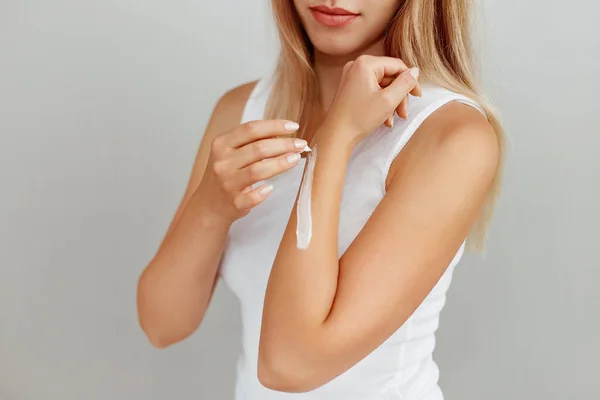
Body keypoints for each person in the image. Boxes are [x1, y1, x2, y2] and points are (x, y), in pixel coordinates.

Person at [136, 1, 503, 399]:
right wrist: (210, 206)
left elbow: (290, 365)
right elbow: (162, 325)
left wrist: (335, 139)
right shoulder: (241, 111)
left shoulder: (450, 137)